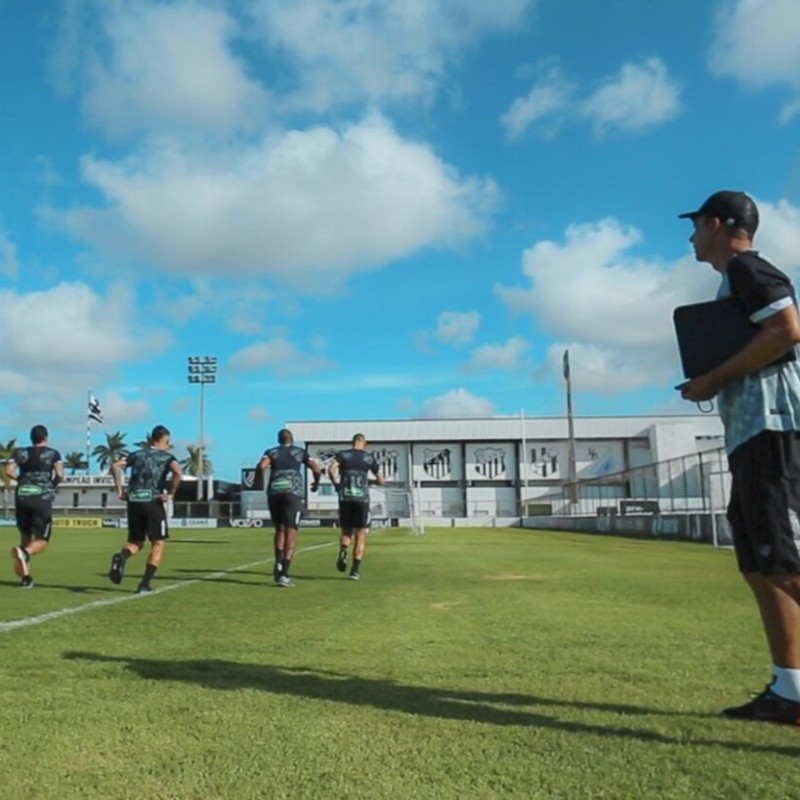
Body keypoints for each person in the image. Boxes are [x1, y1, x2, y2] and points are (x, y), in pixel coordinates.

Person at [678, 190, 800, 725]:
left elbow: (787, 329)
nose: (691, 236)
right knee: (760, 566)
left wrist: (713, 377)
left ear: (717, 223)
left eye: (696, 225)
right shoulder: (732, 284)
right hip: (751, 436)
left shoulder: (749, 268)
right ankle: (791, 691)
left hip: (777, 432)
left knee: (785, 564)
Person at [109, 425, 182, 594]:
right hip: (153, 502)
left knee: (136, 542)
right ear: (164, 440)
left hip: (134, 501)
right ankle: (144, 584)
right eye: (167, 442)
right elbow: (178, 473)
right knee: (158, 543)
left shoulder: (136, 454)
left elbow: (115, 466)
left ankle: (122, 557)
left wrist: (120, 490)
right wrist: (170, 493)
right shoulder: (168, 457)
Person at [258, 428, 322, 587]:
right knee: (291, 531)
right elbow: (316, 468)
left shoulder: (271, 452)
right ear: (292, 439)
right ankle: (284, 574)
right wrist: (317, 482)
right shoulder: (300, 452)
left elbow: (261, 466)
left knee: (279, 529)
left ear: (278, 440)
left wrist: (257, 482)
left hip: (274, 493)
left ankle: (278, 563)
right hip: (292, 494)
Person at [4, 424, 63, 588]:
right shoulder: (53, 453)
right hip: (41, 498)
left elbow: (8, 470)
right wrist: (53, 485)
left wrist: (20, 480)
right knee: (42, 540)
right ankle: (25, 553)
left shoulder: (21, 452)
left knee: (25, 536)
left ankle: (26, 578)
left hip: (22, 497)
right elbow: (59, 474)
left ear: (31, 439)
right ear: (46, 438)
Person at [328, 433, 385, 581]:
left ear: (352, 442)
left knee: (346, 531)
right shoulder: (368, 457)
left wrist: (336, 483)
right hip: (361, 499)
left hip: (345, 497)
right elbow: (381, 479)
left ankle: (343, 549)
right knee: (360, 534)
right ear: (362, 442)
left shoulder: (343, 455)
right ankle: (355, 570)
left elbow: (331, 469)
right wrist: (377, 482)